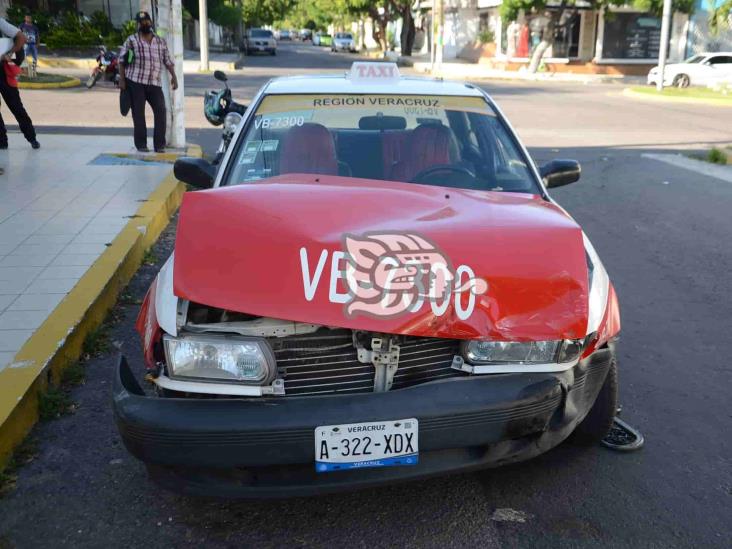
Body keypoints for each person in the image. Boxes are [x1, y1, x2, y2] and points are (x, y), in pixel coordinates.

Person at [118, 11, 178, 153]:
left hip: (154, 83)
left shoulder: (160, 41)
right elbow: (121, 61)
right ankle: (142, 145)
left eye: (147, 21)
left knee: (161, 111)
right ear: (138, 25)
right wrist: (122, 80)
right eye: (141, 22)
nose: (144, 24)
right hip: (135, 82)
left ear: (151, 22)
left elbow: (167, 61)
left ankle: (159, 145)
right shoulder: (132, 40)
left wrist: (174, 77)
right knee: (138, 114)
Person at [0, 16, 40, 150]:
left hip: (3, 72)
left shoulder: (0, 23)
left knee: (16, 107)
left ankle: (31, 137)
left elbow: (21, 37)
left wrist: (9, 53)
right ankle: (2, 142)